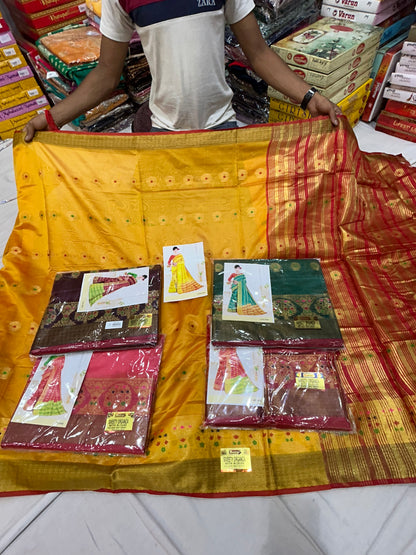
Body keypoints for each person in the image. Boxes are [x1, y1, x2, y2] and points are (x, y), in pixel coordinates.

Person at [24, 0, 342, 141]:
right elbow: (107, 74)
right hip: (163, 133)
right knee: (174, 235)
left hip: (222, 128)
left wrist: (310, 97)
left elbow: (257, 53)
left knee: (226, 228)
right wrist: (49, 119)